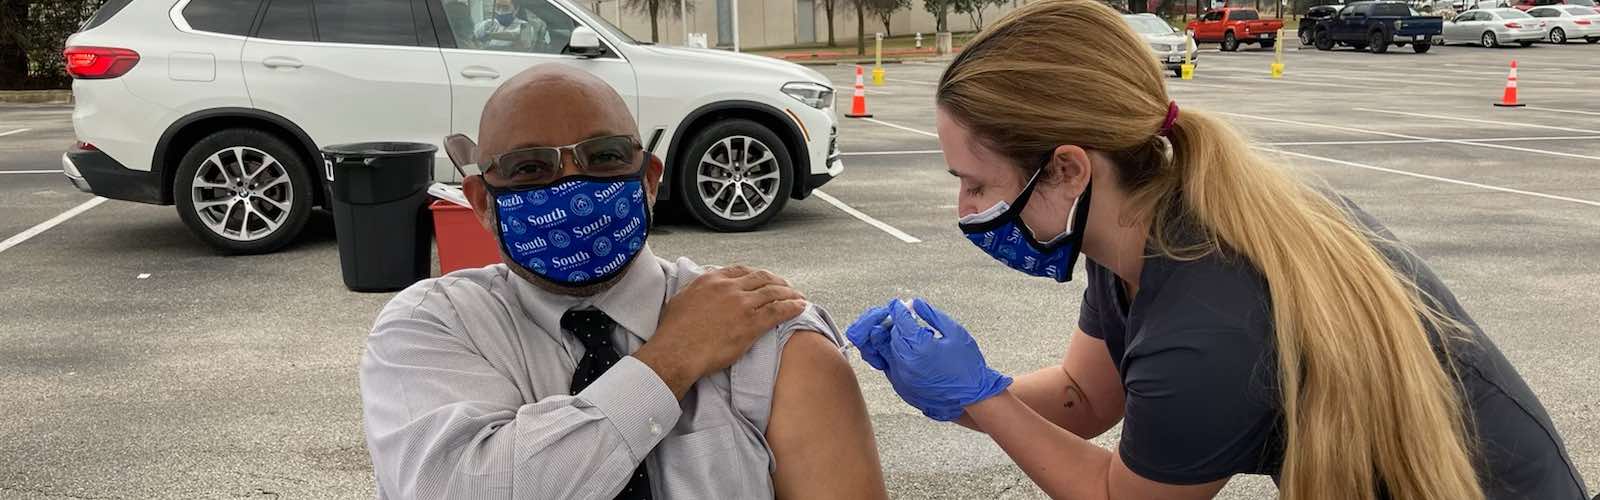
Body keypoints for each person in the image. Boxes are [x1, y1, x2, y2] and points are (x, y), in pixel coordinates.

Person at [846, 1, 1590, 499]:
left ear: (1070, 168)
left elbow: (1118, 495)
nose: (965, 211)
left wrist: (978, 396)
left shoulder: (1209, 313)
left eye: (975, 184)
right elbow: (1085, 397)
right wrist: (959, 392)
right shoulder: (1142, 232)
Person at [359, 64, 886, 499]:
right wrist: (670, 359)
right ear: (480, 202)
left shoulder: (767, 334)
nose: (570, 184)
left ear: (649, 179)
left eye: (604, 156)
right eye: (528, 168)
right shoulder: (430, 328)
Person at [473, 0, 542, 51]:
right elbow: (472, 38)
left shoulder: (525, 26)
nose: (500, 11)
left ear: (516, 9)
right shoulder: (488, 24)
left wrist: (491, 36)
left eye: (505, 8)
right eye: (498, 7)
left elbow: (517, 36)